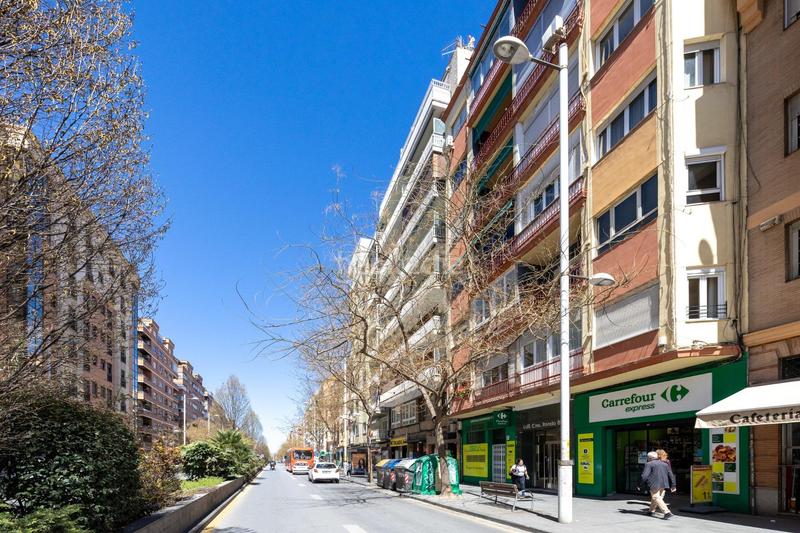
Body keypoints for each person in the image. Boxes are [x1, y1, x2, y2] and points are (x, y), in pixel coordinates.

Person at [639, 451, 676, 519]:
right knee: (657, 498)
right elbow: (671, 474)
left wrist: (640, 484)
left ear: (650, 458)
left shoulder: (649, 464)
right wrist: (673, 485)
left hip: (654, 484)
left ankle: (667, 512)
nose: (647, 459)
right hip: (664, 484)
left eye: (648, 457)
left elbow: (644, 476)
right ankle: (651, 511)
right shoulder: (665, 464)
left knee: (656, 497)